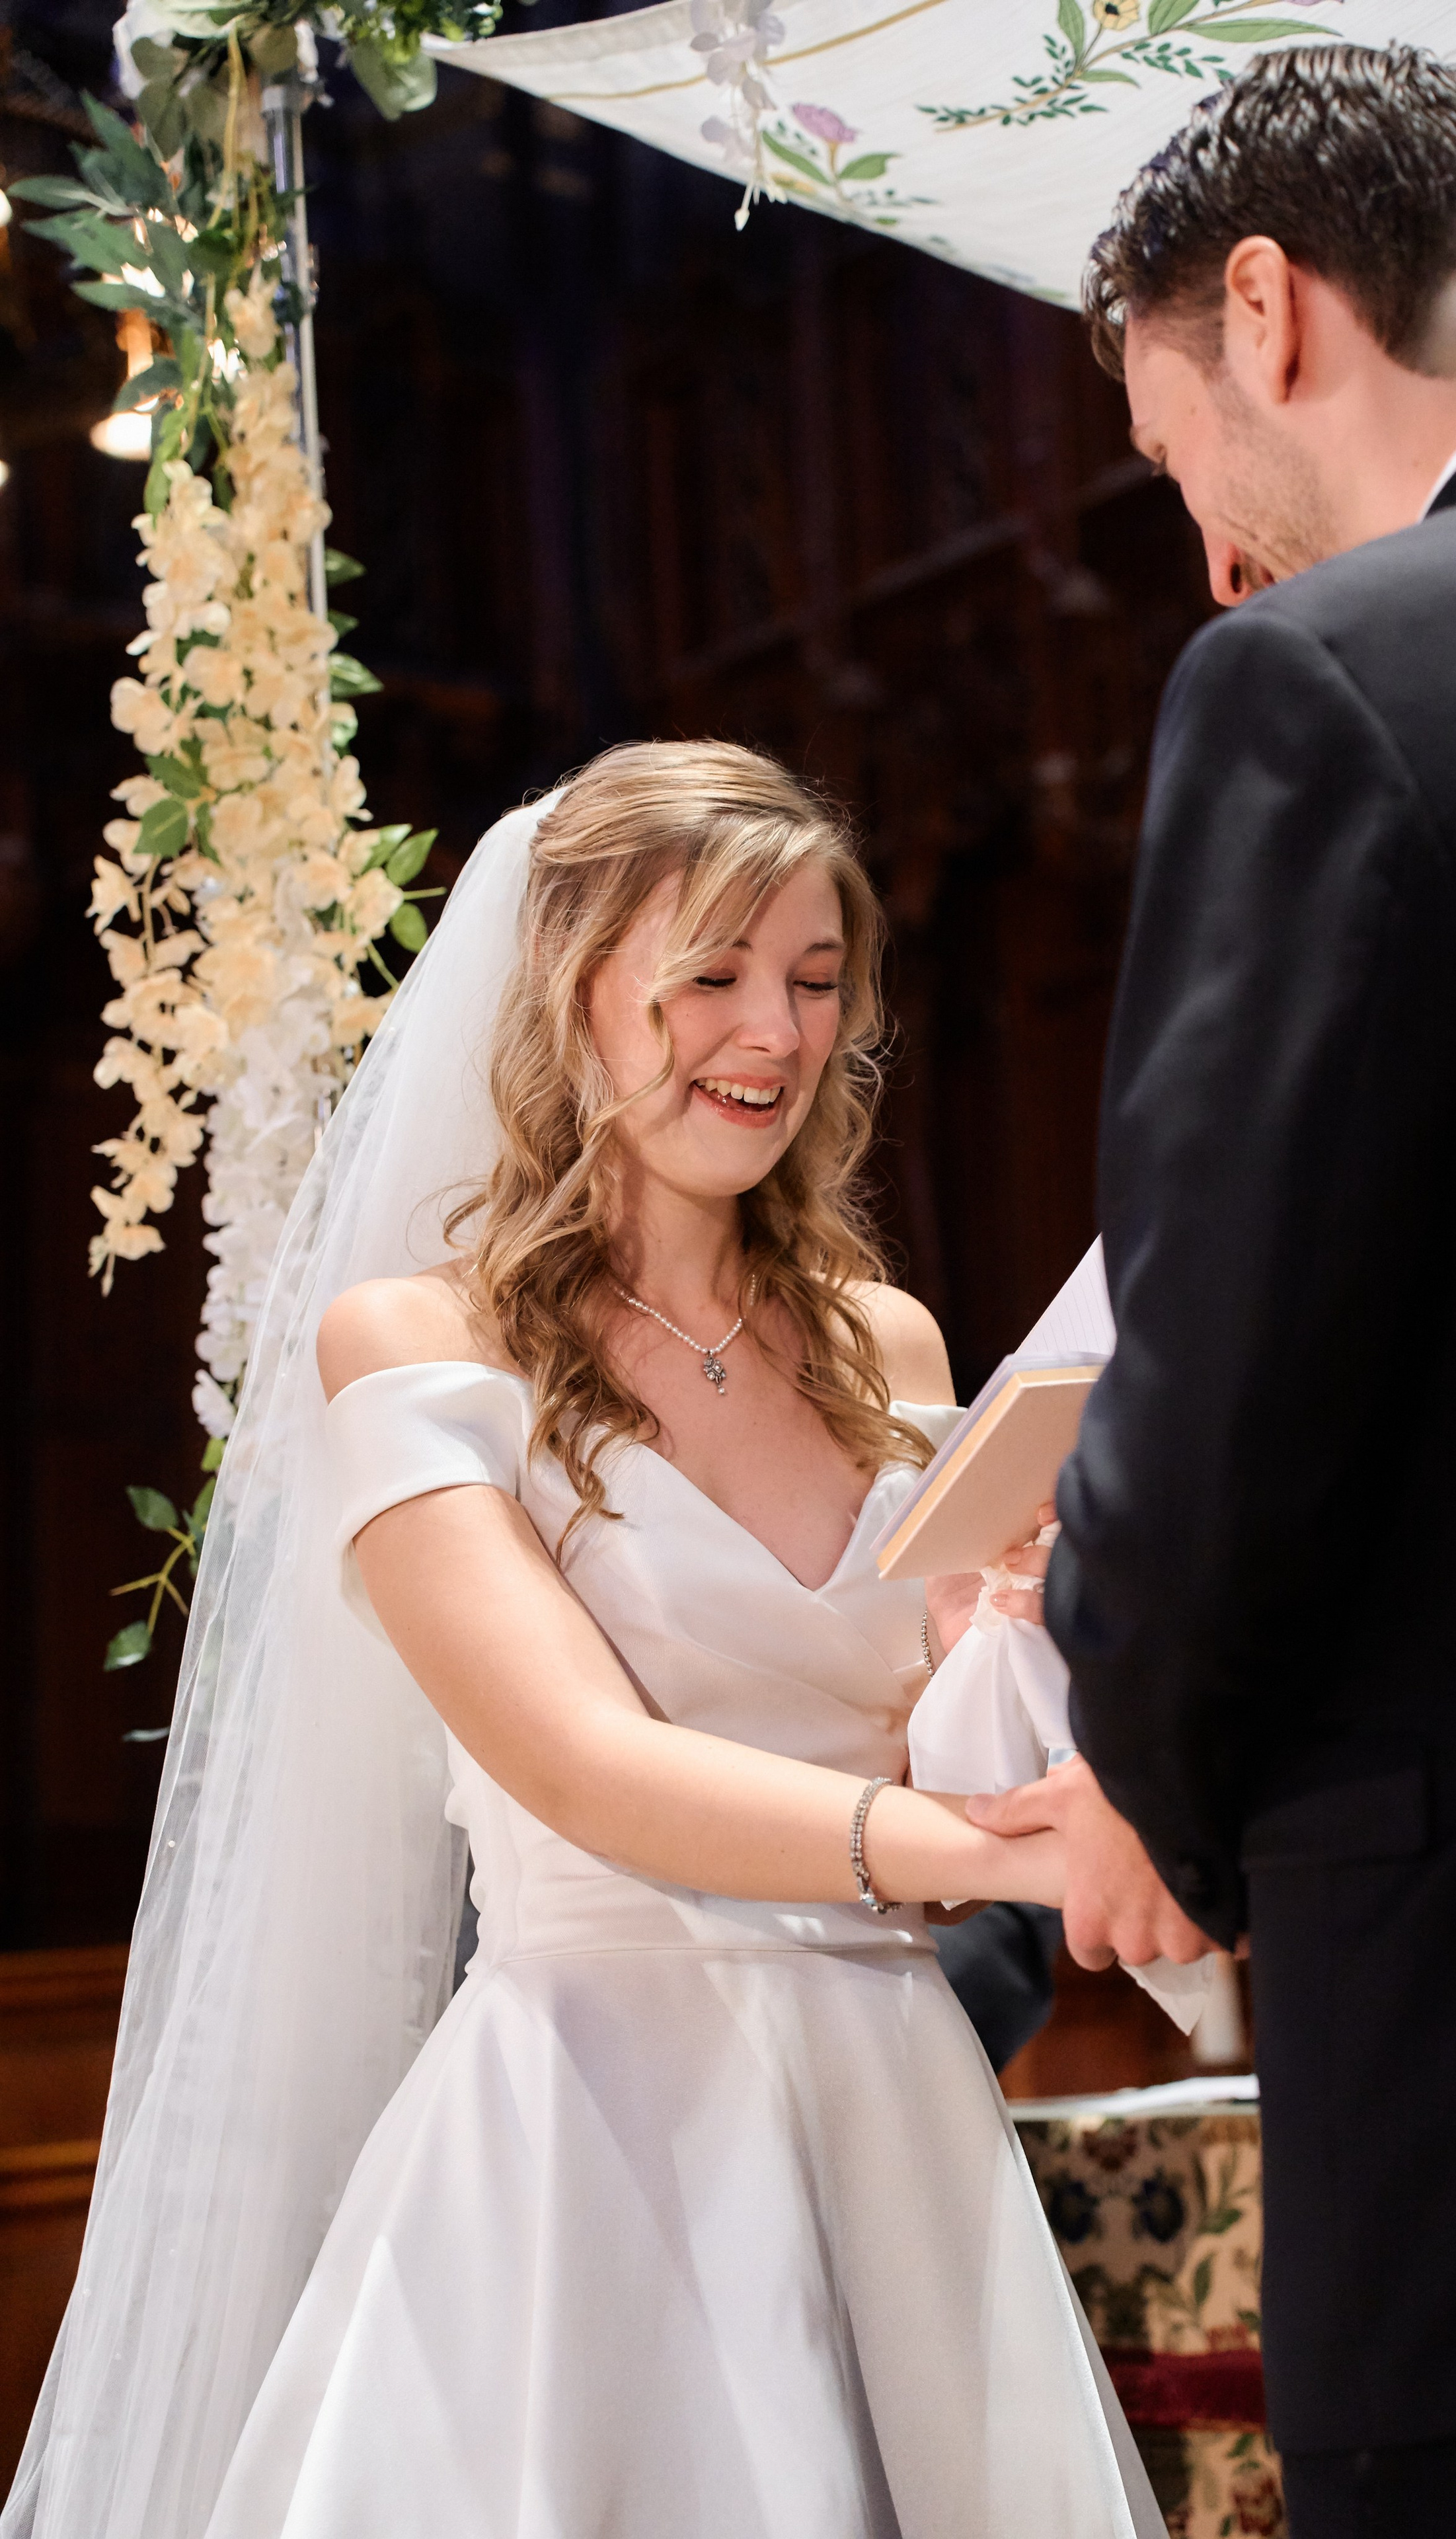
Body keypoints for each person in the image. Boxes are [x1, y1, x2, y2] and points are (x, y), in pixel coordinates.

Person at [3, 744, 1162, 2539]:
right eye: (709, 974)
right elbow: (585, 1765)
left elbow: (949, 1736)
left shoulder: (891, 1343)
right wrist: (979, 1845)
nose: (769, 1033)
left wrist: (1020, 1614)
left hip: (893, 2101)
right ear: (571, 989)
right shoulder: (413, 1346)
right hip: (592, 2124)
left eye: (813, 975)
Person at [970, 42, 1456, 2539]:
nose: (1208, 561)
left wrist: (1150, 1763)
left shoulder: (1351, 674)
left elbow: (1238, 1347)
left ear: (1266, 310)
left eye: (1181, 463)